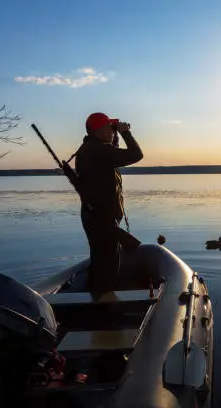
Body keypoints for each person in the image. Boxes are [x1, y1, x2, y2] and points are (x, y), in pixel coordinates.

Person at [74, 112, 144, 295]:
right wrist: (126, 133)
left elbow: (112, 158)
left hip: (95, 217)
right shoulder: (99, 151)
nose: (113, 133)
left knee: (101, 263)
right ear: (101, 130)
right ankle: (104, 310)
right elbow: (136, 154)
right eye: (110, 129)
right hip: (103, 220)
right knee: (108, 269)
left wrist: (114, 136)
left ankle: (97, 301)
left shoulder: (89, 149)